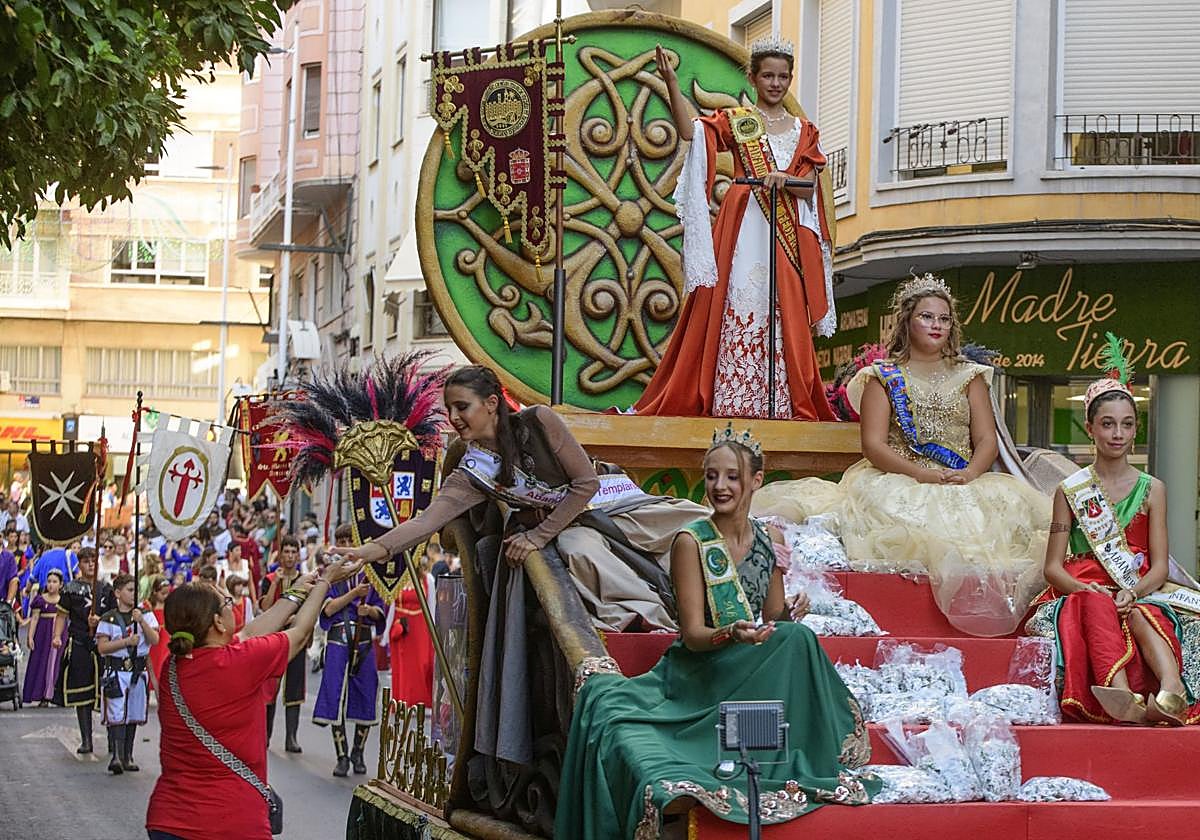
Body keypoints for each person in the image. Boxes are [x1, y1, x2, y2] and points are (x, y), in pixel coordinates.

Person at [340, 365, 709, 767]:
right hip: (572, 535)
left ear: (492, 403)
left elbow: (585, 484)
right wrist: (368, 552)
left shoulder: (539, 421)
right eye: (449, 410)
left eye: (462, 406)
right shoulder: (471, 473)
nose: (455, 418)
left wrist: (538, 535)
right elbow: (426, 522)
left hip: (613, 508)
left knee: (697, 531)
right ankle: (656, 619)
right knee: (580, 550)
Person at [556, 428, 876, 838]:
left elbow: (773, 615)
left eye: (732, 477)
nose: (719, 487)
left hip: (746, 656)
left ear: (756, 481)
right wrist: (732, 634)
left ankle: (796, 752)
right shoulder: (691, 541)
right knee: (793, 641)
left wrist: (793, 611)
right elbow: (692, 635)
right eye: (711, 476)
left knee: (798, 638)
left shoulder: (769, 539)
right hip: (700, 671)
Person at [752, 274, 1050, 635]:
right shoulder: (882, 376)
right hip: (898, 481)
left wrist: (971, 474)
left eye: (943, 318)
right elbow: (873, 446)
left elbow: (986, 439)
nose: (936, 325)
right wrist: (921, 475)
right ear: (907, 321)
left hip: (963, 479)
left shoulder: (971, 376)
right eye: (926, 317)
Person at [632, 38, 836, 420]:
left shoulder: (805, 130)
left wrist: (785, 179)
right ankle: (733, 397)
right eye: (768, 76)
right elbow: (692, 134)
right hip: (743, 223)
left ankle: (780, 401)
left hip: (785, 229)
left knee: (783, 307)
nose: (776, 83)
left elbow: (810, 185)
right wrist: (672, 85)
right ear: (753, 78)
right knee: (735, 300)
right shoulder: (739, 119)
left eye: (783, 76)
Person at [1026, 339, 1200, 726]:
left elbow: (1158, 567)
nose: (1117, 434)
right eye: (1107, 424)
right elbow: (1053, 568)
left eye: (1127, 424)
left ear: (1136, 428)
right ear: (1089, 428)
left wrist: (1132, 591)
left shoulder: (1153, 488)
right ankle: (1120, 692)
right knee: (1093, 604)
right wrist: (1082, 589)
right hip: (1084, 588)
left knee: (1140, 613)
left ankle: (1171, 691)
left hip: (1135, 587)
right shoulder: (1070, 491)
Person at [145, 556, 365, 840]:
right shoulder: (238, 663)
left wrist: (298, 589)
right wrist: (324, 583)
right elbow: (297, 635)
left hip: (169, 821)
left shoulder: (173, 667)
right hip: (230, 823)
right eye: (227, 604)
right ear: (217, 622)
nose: (232, 606)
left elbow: (249, 631)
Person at [313, 523, 385, 776]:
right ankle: (341, 756)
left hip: (363, 641)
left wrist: (370, 611)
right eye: (340, 540)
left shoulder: (371, 575)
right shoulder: (329, 575)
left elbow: (380, 610)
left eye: (348, 540)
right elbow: (328, 609)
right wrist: (354, 594)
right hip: (337, 641)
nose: (344, 546)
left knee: (366, 694)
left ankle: (358, 752)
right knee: (336, 696)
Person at [52, 547, 116, 753]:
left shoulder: (106, 589)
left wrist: (102, 620)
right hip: (80, 641)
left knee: (107, 693)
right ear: (79, 564)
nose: (90, 564)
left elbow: (116, 616)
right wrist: (56, 636)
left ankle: (112, 741)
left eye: (93, 561)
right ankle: (86, 740)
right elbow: (62, 615)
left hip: (103, 645)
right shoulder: (71, 588)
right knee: (83, 694)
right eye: (86, 561)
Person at [95, 572, 160, 773]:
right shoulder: (109, 618)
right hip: (116, 669)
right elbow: (102, 648)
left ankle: (128, 755)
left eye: (135, 590)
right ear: (117, 592)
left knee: (133, 713)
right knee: (116, 713)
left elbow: (155, 640)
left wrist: (141, 622)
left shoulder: (145, 614)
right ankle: (115, 754)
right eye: (129, 590)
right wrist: (125, 642)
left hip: (137, 670)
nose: (133, 594)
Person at [259, 534, 308, 752]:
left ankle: (291, 737)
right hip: (273, 638)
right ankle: (265, 735)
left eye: (293, 552)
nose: (289, 556)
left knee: (294, 688)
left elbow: (307, 611)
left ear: (298, 555)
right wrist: (276, 583)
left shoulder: (305, 580)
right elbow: (265, 608)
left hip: (295, 637)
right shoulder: (270, 579)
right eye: (286, 551)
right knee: (269, 688)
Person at [388, 539, 436, 709]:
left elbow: (432, 607)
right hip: (401, 627)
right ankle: (402, 702)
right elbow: (392, 607)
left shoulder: (427, 579)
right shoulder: (397, 580)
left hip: (421, 628)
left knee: (422, 664)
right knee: (402, 666)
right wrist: (386, 632)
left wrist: (434, 632)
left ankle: (421, 702)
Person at [22, 568, 67, 706]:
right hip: (43, 633)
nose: (51, 584)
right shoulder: (40, 600)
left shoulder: (64, 600)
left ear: (60, 584)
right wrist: (30, 637)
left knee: (57, 662)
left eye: (55, 582)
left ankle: (55, 695)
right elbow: (34, 618)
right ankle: (40, 694)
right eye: (49, 581)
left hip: (59, 633)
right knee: (42, 661)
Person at [143, 575, 171, 697]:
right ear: (155, 592)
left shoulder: (169, 606)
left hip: (165, 640)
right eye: (162, 593)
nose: (165, 596)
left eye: (167, 593)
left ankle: (162, 693)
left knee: (162, 665)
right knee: (151, 666)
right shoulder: (148, 606)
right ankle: (147, 692)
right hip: (153, 640)